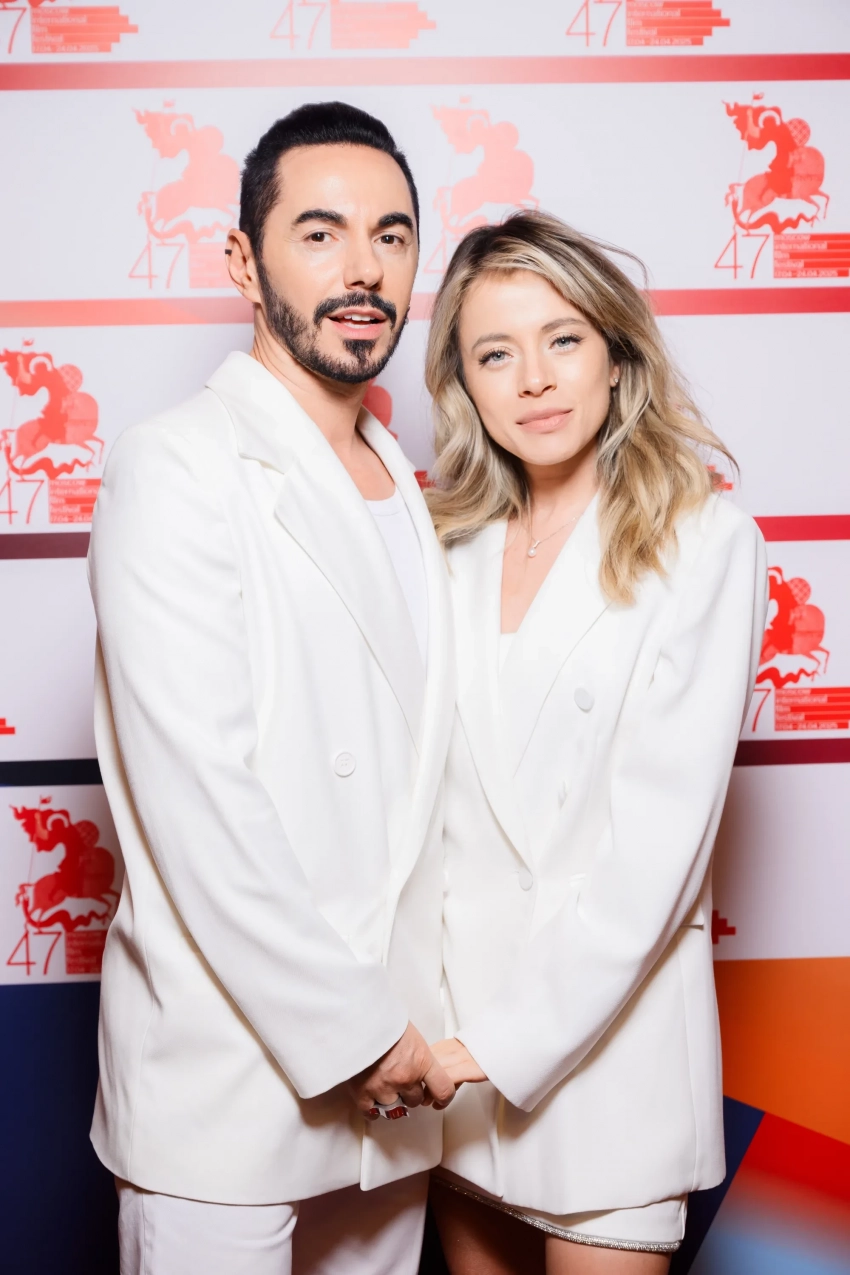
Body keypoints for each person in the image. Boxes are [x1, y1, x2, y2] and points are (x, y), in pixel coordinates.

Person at [87, 101, 456, 1275]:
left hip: (393, 1095)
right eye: (320, 232)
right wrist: (356, 1035)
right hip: (234, 1088)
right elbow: (201, 799)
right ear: (243, 262)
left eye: (391, 235)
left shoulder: (406, 485)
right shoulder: (174, 466)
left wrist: (407, 1036)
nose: (364, 269)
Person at [423, 211, 768, 1273]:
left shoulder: (703, 543)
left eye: (562, 339)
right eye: (495, 353)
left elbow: (655, 855)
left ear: (616, 357)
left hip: (606, 1061)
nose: (534, 378)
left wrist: (492, 1047)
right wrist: (435, 1042)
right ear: (465, 385)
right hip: (447, 1064)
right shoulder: (440, 548)